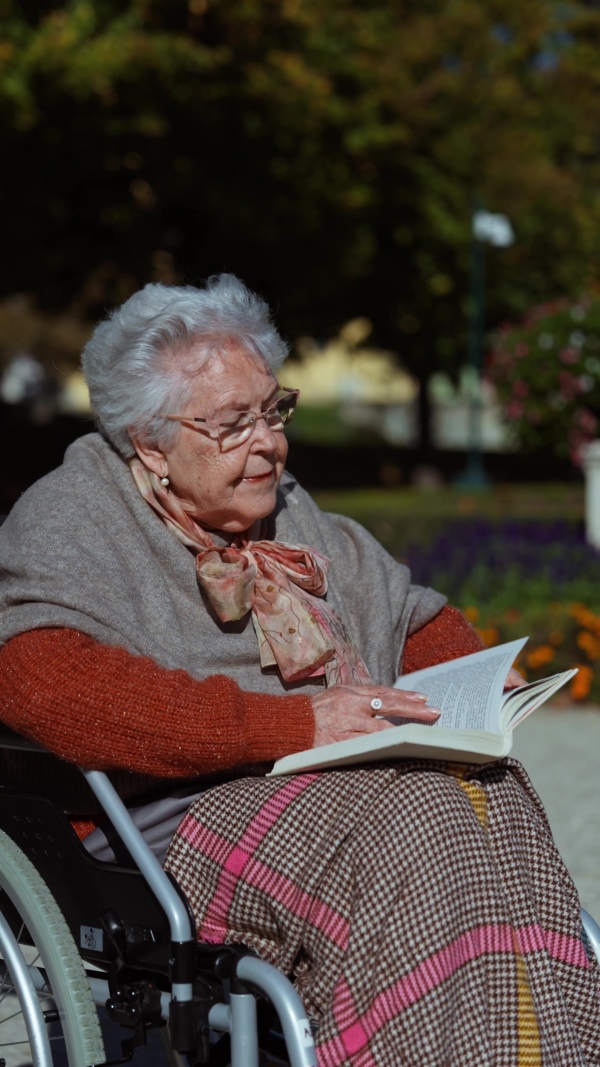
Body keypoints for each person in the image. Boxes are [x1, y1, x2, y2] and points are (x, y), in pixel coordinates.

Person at [0, 274, 597, 1066]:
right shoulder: (75, 515)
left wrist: (476, 679)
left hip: (328, 778)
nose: (269, 442)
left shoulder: (288, 504)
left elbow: (406, 611)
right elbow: (40, 681)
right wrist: (297, 723)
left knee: (490, 795)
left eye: (272, 410)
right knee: (417, 827)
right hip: (175, 816)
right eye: (232, 422)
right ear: (150, 441)